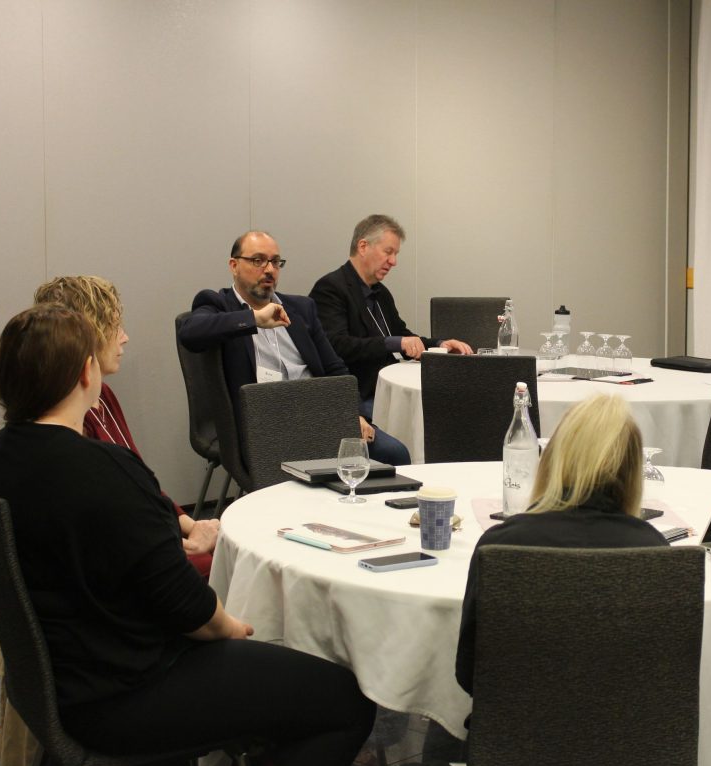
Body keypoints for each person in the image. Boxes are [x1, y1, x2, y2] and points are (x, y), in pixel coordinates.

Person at [0, 304, 376, 766]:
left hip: (59, 684)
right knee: (346, 699)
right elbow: (189, 608)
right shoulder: (104, 471)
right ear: (84, 373)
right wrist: (234, 629)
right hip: (125, 693)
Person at [455, 393, 667, 696]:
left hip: (516, 725)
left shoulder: (501, 545)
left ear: (552, 458)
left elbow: (470, 673)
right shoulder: (655, 550)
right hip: (632, 726)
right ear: (633, 471)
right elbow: (663, 675)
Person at [34, 276, 217, 577]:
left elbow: (143, 485)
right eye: (115, 326)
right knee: (219, 567)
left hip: (142, 535)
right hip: (124, 556)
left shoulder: (103, 395)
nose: (125, 337)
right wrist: (178, 542)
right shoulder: (71, 425)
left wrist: (192, 526)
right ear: (90, 335)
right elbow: (108, 523)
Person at [178, 230, 410, 465]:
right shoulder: (219, 305)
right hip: (264, 424)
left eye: (275, 262)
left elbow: (335, 369)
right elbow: (189, 333)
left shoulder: (301, 308)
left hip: (318, 415)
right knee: (334, 469)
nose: (269, 269)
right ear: (234, 265)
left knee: (395, 453)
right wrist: (253, 319)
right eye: (258, 260)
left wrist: (353, 413)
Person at [308, 214, 472, 420]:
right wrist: (393, 343)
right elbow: (336, 345)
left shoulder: (381, 292)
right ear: (363, 246)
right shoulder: (330, 288)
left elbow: (402, 335)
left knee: (447, 407)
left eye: (396, 254)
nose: (393, 261)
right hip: (359, 395)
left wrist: (439, 345)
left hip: (386, 390)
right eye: (388, 252)